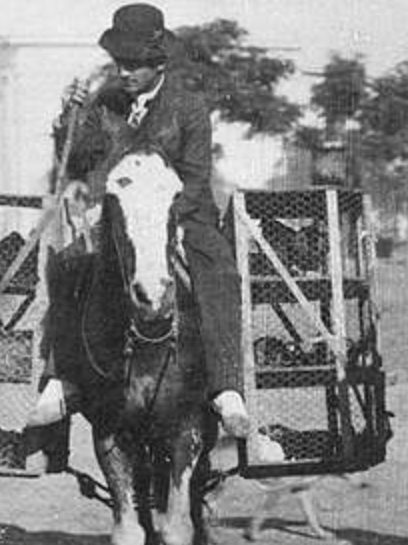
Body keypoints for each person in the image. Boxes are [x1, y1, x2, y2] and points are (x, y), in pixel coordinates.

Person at [27, 3, 249, 440]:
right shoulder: (105, 102)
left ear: (159, 63)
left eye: (134, 64)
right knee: (71, 264)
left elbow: (196, 179)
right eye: (119, 63)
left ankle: (226, 387)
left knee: (218, 269)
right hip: (115, 216)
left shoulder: (189, 108)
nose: (124, 72)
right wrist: (69, 118)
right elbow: (78, 159)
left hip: (180, 216)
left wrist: (163, 219)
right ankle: (63, 377)